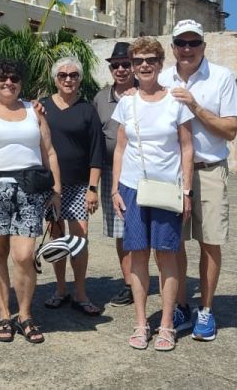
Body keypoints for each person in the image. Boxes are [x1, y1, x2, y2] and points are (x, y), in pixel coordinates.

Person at [0, 60, 62, 344]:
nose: (8, 83)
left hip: (30, 189)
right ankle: (5, 315)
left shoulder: (34, 112)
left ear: (21, 82)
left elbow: (50, 153)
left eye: (14, 78)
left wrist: (56, 191)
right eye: (2, 78)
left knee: (23, 255)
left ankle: (26, 315)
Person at [159, 19, 237, 342]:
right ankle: (180, 305)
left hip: (208, 169)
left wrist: (195, 106)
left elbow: (230, 130)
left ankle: (205, 309)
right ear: (173, 47)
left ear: (204, 46)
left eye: (194, 43)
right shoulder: (164, 78)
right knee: (173, 242)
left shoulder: (220, 77)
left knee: (210, 242)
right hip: (173, 172)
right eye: (182, 43)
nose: (187, 49)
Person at [110, 37, 194, 352]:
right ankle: (141, 322)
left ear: (160, 64)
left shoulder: (175, 100)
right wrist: (116, 188)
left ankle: (168, 323)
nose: (144, 65)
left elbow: (187, 147)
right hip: (132, 188)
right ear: (131, 66)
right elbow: (120, 147)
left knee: (167, 257)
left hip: (166, 188)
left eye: (150, 60)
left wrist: (187, 190)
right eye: (138, 61)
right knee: (138, 257)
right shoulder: (126, 101)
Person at [40, 56, 104, 316]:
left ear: (80, 79)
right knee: (57, 239)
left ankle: (80, 292)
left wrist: (93, 188)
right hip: (51, 187)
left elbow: (96, 152)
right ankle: (60, 289)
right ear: (55, 79)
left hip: (79, 186)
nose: (68, 79)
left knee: (79, 239)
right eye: (63, 75)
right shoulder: (42, 107)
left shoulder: (87, 110)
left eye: (74, 75)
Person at [92, 42, 136, 307]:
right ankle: (129, 283)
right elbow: (95, 140)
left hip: (142, 171)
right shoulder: (101, 98)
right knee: (121, 231)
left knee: (144, 227)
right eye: (115, 65)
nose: (120, 69)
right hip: (112, 171)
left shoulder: (145, 93)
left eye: (125, 64)